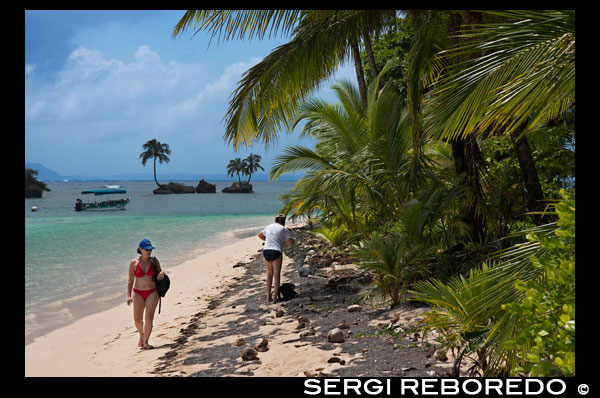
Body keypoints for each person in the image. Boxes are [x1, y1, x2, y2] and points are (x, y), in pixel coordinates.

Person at [126, 239, 166, 349]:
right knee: (137, 319)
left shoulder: (154, 261)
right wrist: (129, 295)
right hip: (138, 293)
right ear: (140, 249)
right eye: (146, 250)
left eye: (150, 249)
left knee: (149, 317)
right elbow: (130, 281)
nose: (149, 252)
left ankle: (146, 342)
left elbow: (160, 272)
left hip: (152, 292)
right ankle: (141, 335)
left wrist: (162, 273)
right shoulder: (133, 263)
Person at [258, 214, 294, 303]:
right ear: (284, 221)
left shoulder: (269, 226)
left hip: (266, 250)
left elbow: (260, 235)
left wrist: (269, 240)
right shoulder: (284, 229)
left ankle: (268, 296)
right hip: (276, 251)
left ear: (275, 220)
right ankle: (274, 299)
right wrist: (283, 243)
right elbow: (291, 243)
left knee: (269, 274)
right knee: (276, 275)